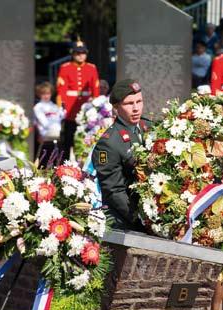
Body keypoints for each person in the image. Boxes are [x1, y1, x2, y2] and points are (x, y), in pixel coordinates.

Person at [92, 79, 152, 229]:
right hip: (128, 220)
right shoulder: (108, 143)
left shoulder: (149, 127)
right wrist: (142, 219)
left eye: (139, 101)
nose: (136, 108)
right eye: (129, 104)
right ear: (116, 107)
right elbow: (114, 191)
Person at [57, 39, 100, 160]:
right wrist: (62, 106)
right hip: (70, 108)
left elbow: (95, 89)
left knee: (85, 138)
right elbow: (62, 89)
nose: (81, 56)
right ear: (73, 54)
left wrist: (95, 107)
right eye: (77, 53)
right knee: (67, 139)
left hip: (86, 108)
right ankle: (63, 164)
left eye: (83, 53)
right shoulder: (65, 68)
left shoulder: (91, 68)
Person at [33, 82, 65, 164]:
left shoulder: (54, 106)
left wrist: (62, 109)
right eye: (43, 94)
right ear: (39, 94)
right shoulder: (38, 107)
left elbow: (61, 117)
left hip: (56, 132)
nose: (46, 96)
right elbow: (44, 122)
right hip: (45, 133)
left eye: (48, 93)